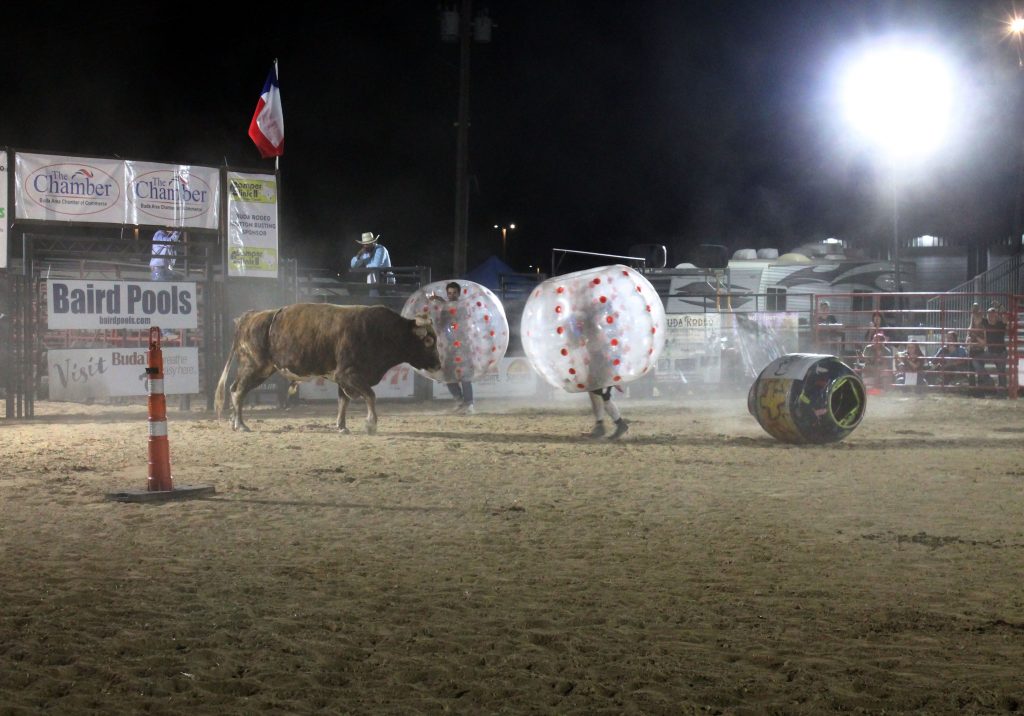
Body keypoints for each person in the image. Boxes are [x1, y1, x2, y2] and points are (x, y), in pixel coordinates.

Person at [434, 281, 475, 414]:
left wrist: (442, 304)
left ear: (459, 293)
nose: (451, 295)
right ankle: (460, 401)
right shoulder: (444, 308)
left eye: (454, 293)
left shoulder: (462, 306)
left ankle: (469, 404)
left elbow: (458, 323)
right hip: (449, 346)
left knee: (465, 375)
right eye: (449, 293)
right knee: (447, 375)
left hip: (463, 344)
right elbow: (441, 325)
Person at [981, 305, 1008, 389]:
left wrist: (1000, 306)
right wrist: (976, 307)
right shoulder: (985, 322)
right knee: (975, 360)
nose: (990, 316)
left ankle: (1002, 392)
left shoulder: (1000, 324)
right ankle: (988, 380)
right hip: (989, 352)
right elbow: (976, 316)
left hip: (1001, 352)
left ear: (996, 315)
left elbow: (1005, 317)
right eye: (988, 314)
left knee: (1001, 372)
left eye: (992, 314)